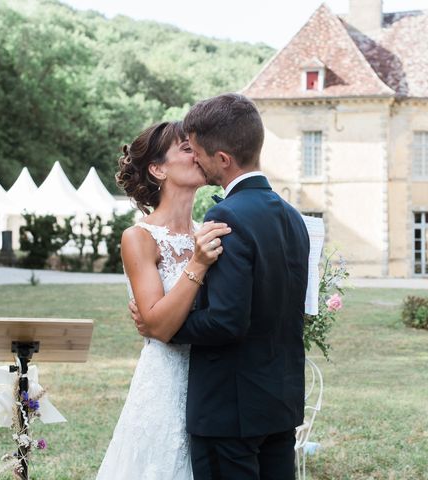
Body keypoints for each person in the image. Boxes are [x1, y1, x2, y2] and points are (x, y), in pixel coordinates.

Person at [134, 94, 310, 479]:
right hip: (279, 402)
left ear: (224, 160)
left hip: (230, 409)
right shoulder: (294, 217)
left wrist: (161, 326)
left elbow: (227, 321)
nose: (195, 158)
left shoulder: (225, 216)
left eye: (196, 151)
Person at [96, 121, 232, 479]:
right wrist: (199, 263)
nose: (198, 154)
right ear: (158, 169)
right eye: (187, 149)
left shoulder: (210, 231)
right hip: (165, 384)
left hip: (213, 380)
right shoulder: (139, 237)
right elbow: (159, 325)